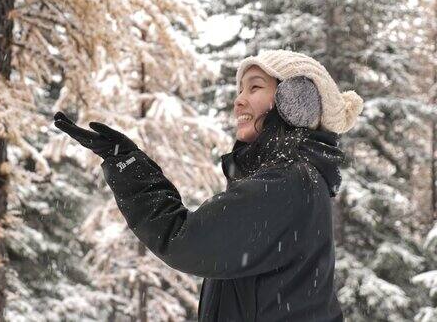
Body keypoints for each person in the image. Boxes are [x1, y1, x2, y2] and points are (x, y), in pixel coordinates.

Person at [53, 49, 364, 322]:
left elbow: (183, 240)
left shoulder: (289, 183)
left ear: (298, 102)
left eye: (254, 87)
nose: (238, 100)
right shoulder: (294, 180)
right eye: (240, 88)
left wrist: (130, 167)